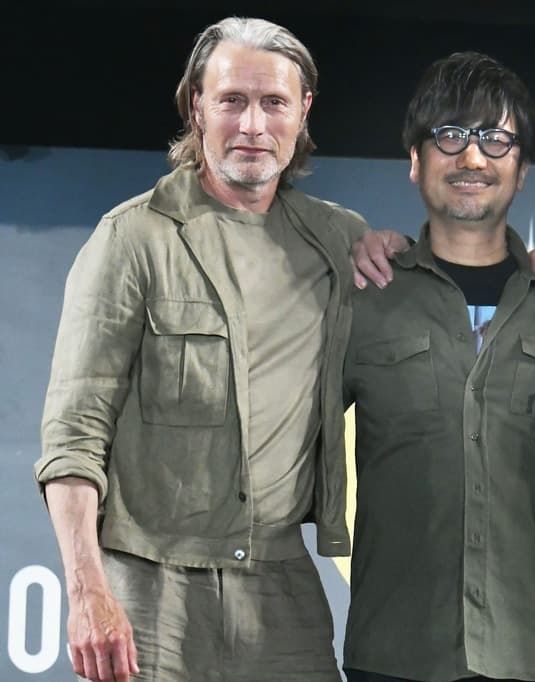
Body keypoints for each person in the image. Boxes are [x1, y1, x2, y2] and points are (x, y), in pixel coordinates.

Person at [33, 17, 368, 682]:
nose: (251, 126)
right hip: (148, 589)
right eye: (231, 101)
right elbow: (73, 435)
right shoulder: (132, 238)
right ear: (196, 106)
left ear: (303, 111)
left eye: (273, 102)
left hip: (283, 590)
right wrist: (87, 591)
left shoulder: (342, 242)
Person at [341, 51, 535, 682]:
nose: (472, 158)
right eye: (450, 136)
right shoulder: (362, 297)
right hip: (393, 657)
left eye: (496, 139)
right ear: (414, 161)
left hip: (533, 657)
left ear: (521, 172)